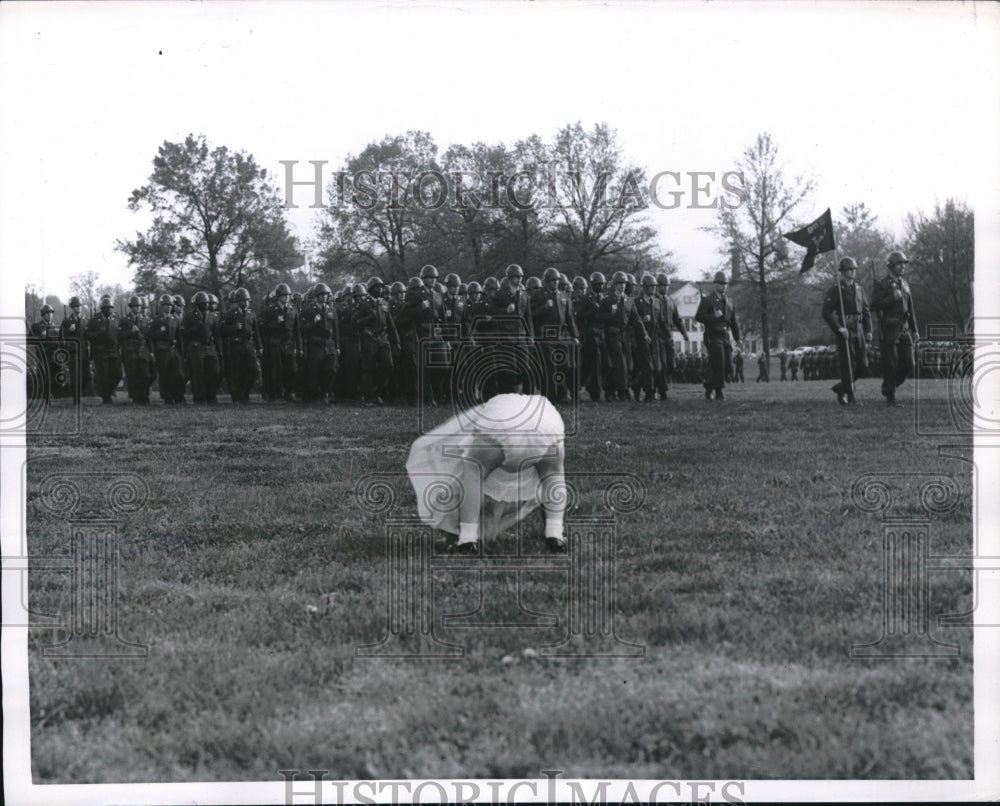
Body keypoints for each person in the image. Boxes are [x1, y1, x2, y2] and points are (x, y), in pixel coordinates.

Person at [406, 392, 567, 555]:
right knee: (553, 475)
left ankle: (467, 539)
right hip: (548, 423)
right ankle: (555, 534)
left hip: (502, 425)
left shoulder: (490, 411)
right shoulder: (533, 404)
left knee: (473, 471)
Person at [822, 257, 873, 406]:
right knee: (848, 365)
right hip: (845, 329)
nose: (853, 272)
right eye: (850, 269)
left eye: (854, 269)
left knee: (863, 365)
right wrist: (839, 328)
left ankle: (841, 387)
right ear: (843, 272)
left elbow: (866, 310)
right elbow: (826, 312)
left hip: (859, 329)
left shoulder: (859, 288)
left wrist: (869, 329)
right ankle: (851, 397)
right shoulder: (836, 289)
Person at [870, 250, 918, 406]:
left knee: (909, 364)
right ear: (891, 266)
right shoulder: (882, 284)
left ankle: (888, 387)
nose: (903, 267)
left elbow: (910, 309)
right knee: (890, 363)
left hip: (904, 327)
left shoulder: (904, 284)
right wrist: (892, 298)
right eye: (899, 264)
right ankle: (890, 396)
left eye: (904, 264)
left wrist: (915, 330)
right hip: (889, 326)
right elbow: (874, 305)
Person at [695, 272, 740, 401]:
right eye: (720, 283)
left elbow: (734, 322)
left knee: (728, 366)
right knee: (718, 363)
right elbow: (698, 316)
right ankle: (719, 392)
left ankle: (709, 386)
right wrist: (713, 316)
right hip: (712, 334)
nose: (723, 286)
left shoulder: (729, 302)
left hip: (725, 336)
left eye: (725, 283)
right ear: (715, 284)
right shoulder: (708, 300)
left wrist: (738, 339)